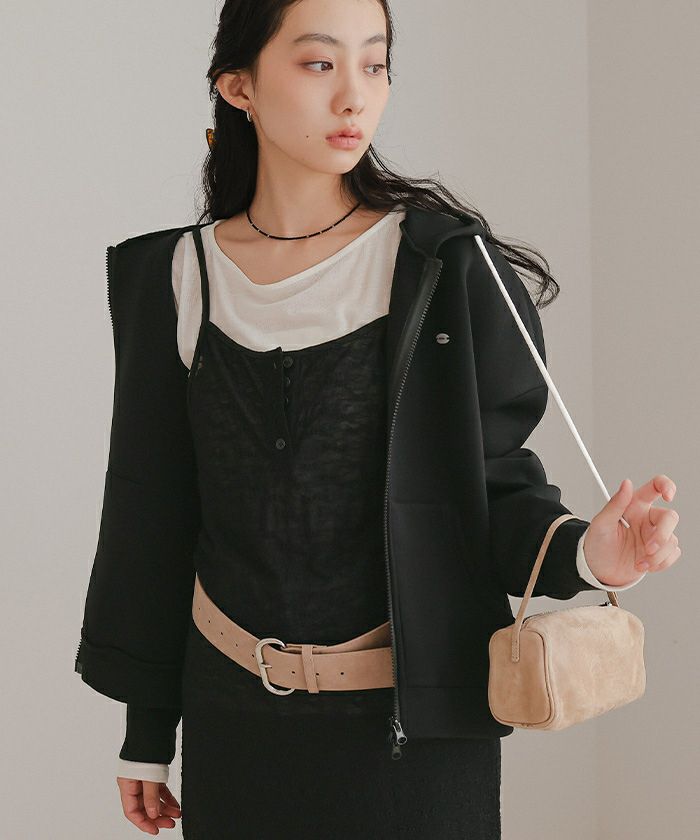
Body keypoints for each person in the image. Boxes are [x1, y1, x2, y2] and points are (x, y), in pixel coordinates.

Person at [74, 1, 680, 837]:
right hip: (233, 733)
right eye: (320, 63)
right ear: (238, 86)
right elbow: (156, 517)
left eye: (376, 63)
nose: (355, 95)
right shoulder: (175, 277)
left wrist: (589, 553)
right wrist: (147, 735)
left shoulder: (443, 265)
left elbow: (490, 488)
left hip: (415, 748)